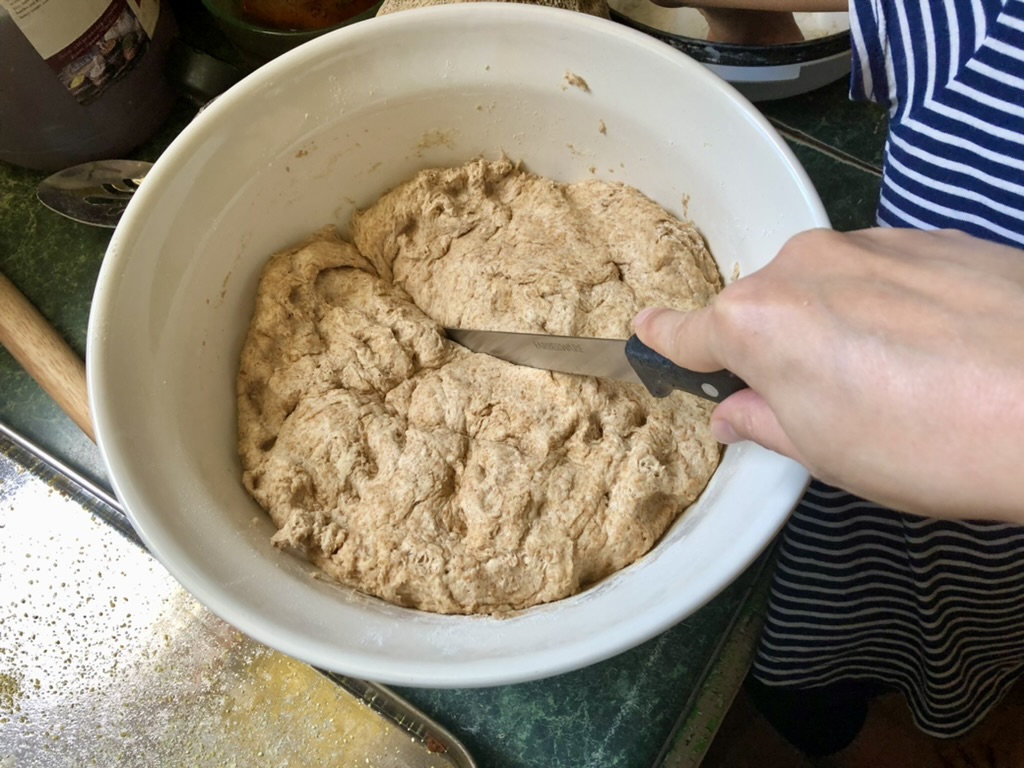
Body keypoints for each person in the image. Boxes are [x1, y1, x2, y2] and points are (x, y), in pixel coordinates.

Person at [638, 0, 1024, 758]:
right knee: (810, 680)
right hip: (843, 515)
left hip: (994, 572)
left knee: (947, 664)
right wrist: (747, 27)